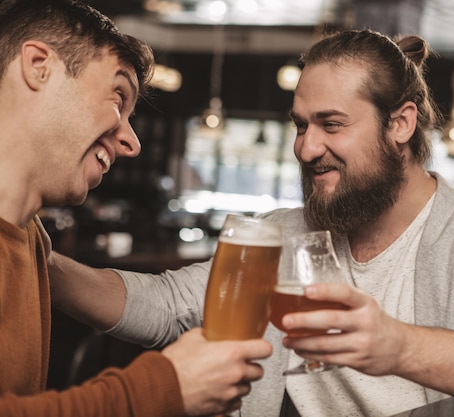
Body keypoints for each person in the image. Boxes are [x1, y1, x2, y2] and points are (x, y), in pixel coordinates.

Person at [48, 28, 454, 416]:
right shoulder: (281, 232)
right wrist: (38, 260)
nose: (307, 148)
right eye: (300, 126)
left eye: (331, 124)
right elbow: (165, 307)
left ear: (400, 124)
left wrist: (397, 346)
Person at [0, 0, 272, 416]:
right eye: (118, 95)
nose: (132, 142)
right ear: (40, 66)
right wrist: (164, 387)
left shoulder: (31, 240)